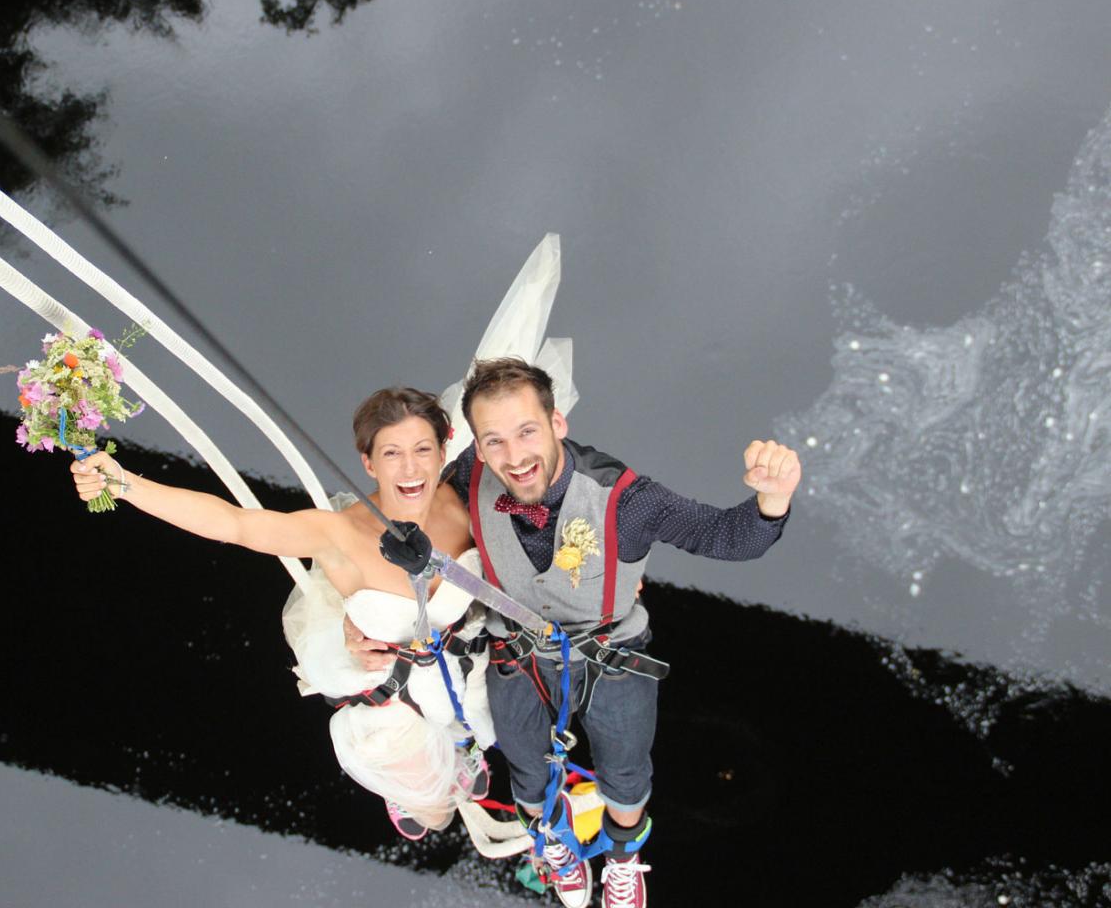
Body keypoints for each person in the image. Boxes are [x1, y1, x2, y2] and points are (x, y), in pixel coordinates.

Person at [362, 357, 800, 908]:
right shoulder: (467, 475)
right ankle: (553, 844)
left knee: (626, 774)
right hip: (517, 654)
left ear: (557, 422)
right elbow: (405, 502)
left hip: (612, 655)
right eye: (495, 441)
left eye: (527, 432)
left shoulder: (624, 500)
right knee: (525, 769)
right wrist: (369, 605)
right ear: (477, 446)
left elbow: (726, 537)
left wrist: (773, 498)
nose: (515, 456)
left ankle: (623, 859)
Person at [68, 387, 494, 839]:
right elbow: (234, 524)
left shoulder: (463, 503)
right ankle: (416, 781)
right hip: (393, 689)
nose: (410, 468)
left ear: (443, 451)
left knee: (484, 725)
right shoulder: (339, 534)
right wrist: (126, 485)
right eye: (392, 453)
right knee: (433, 808)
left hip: (461, 660)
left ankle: (461, 742)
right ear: (369, 464)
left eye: (422, 450)